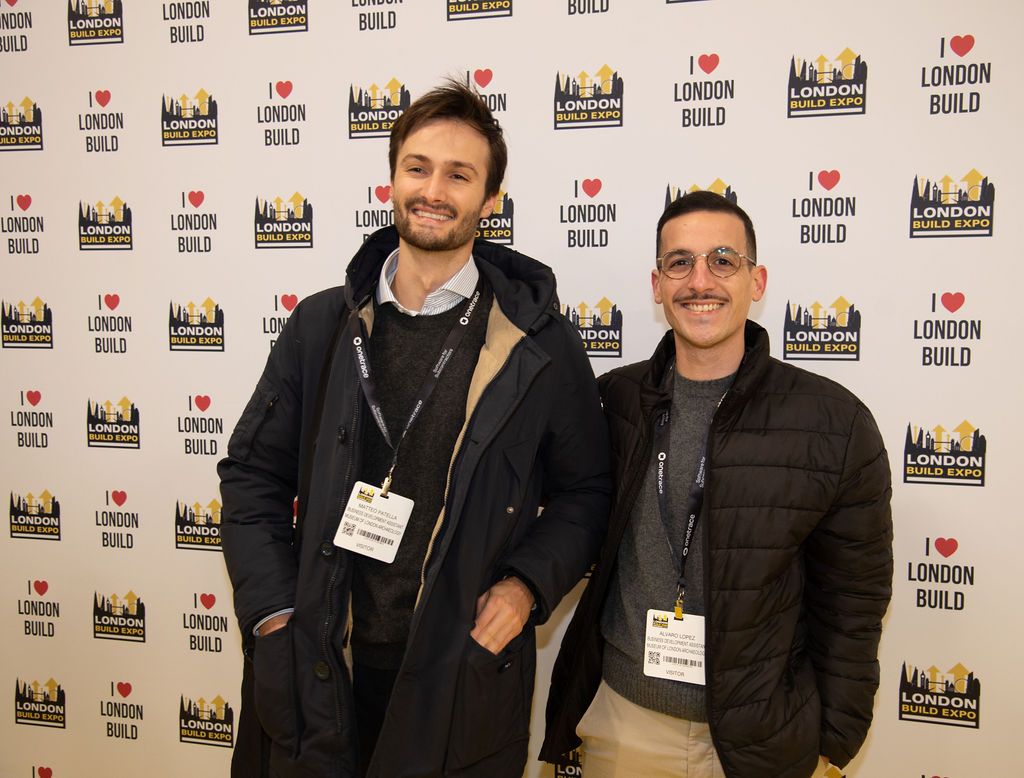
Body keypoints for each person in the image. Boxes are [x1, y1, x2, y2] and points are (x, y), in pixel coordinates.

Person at [218, 80, 610, 778]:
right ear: (391, 182)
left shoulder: (540, 344)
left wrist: (525, 586)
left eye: (459, 175)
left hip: (457, 675)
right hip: (318, 665)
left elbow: (586, 493)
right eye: (418, 168)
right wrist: (274, 612)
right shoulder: (320, 325)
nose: (433, 190)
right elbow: (251, 476)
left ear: (491, 201)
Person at [541, 191, 893, 778]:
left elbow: (854, 602)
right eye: (679, 262)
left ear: (757, 281)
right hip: (626, 726)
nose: (700, 281)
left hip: (766, 740)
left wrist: (832, 741)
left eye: (723, 261)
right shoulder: (613, 403)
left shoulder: (834, 423)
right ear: (657, 285)